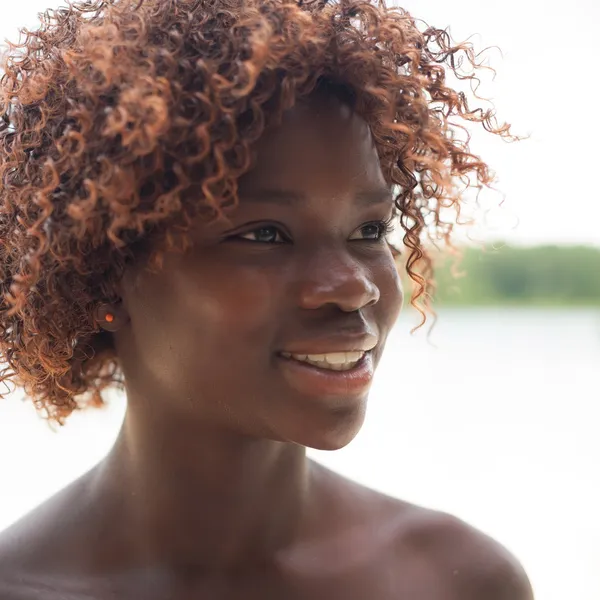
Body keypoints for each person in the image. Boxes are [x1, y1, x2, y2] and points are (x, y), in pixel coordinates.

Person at [0, 0, 533, 598]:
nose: (355, 285)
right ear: (105, 277)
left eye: (370, 231)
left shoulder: (458, 581)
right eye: (263, 235)